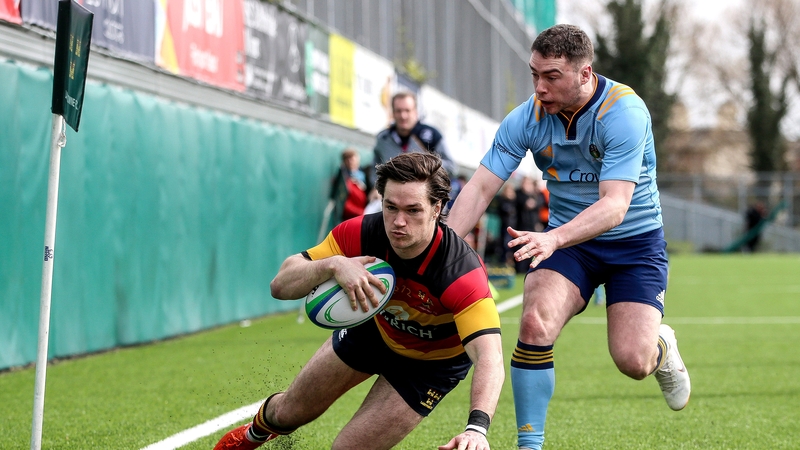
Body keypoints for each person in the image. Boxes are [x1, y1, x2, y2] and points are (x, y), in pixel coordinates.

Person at [446, 24, 690, 450]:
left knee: (633, 361)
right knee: (534, 320)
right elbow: (482, 188)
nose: (539, 87)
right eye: (534, 74)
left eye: (551, 76)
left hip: (633, 245)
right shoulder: (526, 117)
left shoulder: (625, 112)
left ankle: (661, 347)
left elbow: (615, 206)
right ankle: (530, 446)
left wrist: (554, 238)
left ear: (584, 73)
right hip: (569, 245)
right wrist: (437, 250)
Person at [214, 152, 504, 450]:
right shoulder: (361, 233)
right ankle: (251, 436)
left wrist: (476, 429)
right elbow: (280, 285)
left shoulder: (460, 272)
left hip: (430, 365)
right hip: (373, 332)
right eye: (390, 207)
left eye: (413, 210)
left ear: (436, 208)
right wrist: (333, 265)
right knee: (287, 413)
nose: (399, 222)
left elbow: (490, 357)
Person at [368, 91, 457, 199]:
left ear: (415, 112)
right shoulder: (383, 138)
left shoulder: (431, 135)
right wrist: (376, 188)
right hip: (393, 203)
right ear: (392, 112)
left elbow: (452, 168)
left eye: (407, 110)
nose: (403, 115)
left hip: (426, 202)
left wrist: (425, 165)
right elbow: (375, 170)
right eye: (398, 111)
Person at [331, 148, 368, 222]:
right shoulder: (343, 179)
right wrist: (363, 213)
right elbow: (344, 204)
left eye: (352, 158)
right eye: (347, 159)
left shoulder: (367, 173)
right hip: (354, 217)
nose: (350, 161)